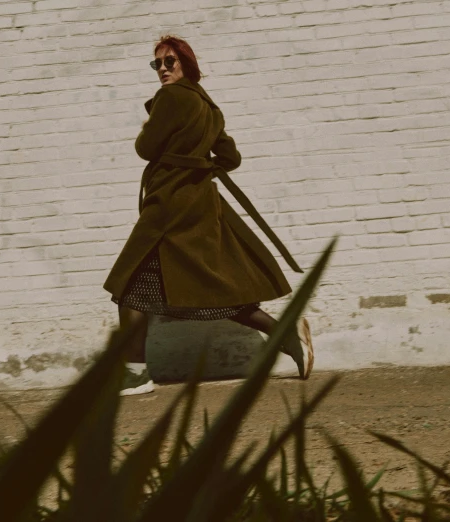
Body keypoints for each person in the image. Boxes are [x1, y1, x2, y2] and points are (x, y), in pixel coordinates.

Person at [104, 35, 313, 396]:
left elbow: (145, 148)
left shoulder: (171, 98)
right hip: (199, 206)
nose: (164, 70)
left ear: (186, 62)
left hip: (167, 206)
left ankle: (136, 375)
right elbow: (231, 158)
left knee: (129, 287)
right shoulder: (209, 107)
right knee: (212, 289)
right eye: (158, 64)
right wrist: (201, 169)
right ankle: (286, 334)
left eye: (170, 61)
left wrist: (166, 151)